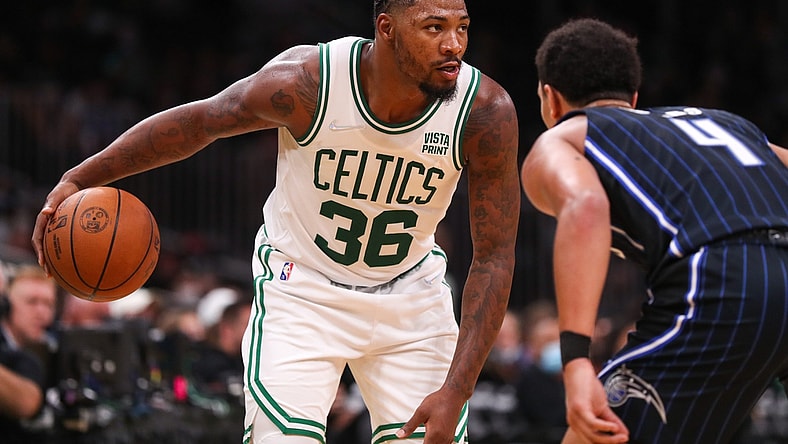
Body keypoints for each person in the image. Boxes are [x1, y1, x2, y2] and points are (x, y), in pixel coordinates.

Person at [31, 0, 520, 442]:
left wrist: (458, 388)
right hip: (303, 289)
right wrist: (80, 177)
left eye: (462, 27)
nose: (453, 44)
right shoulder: (308, 83)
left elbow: (495, 258)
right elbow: (202, 122)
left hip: (412, 297)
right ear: (387, 29)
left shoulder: (484, 111)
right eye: (434, 27)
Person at [521, 17, 788, 444]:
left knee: (594, 435)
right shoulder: (728, 124)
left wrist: (575, 363)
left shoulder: (563, 139)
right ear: (634, 97)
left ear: (550, 100)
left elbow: (585, 206)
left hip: (722, 280)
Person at [0, 263, 58, 443]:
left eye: (48, 304)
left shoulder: (49, 346)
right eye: (32, 302)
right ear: (6, 306)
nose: (42, 312)